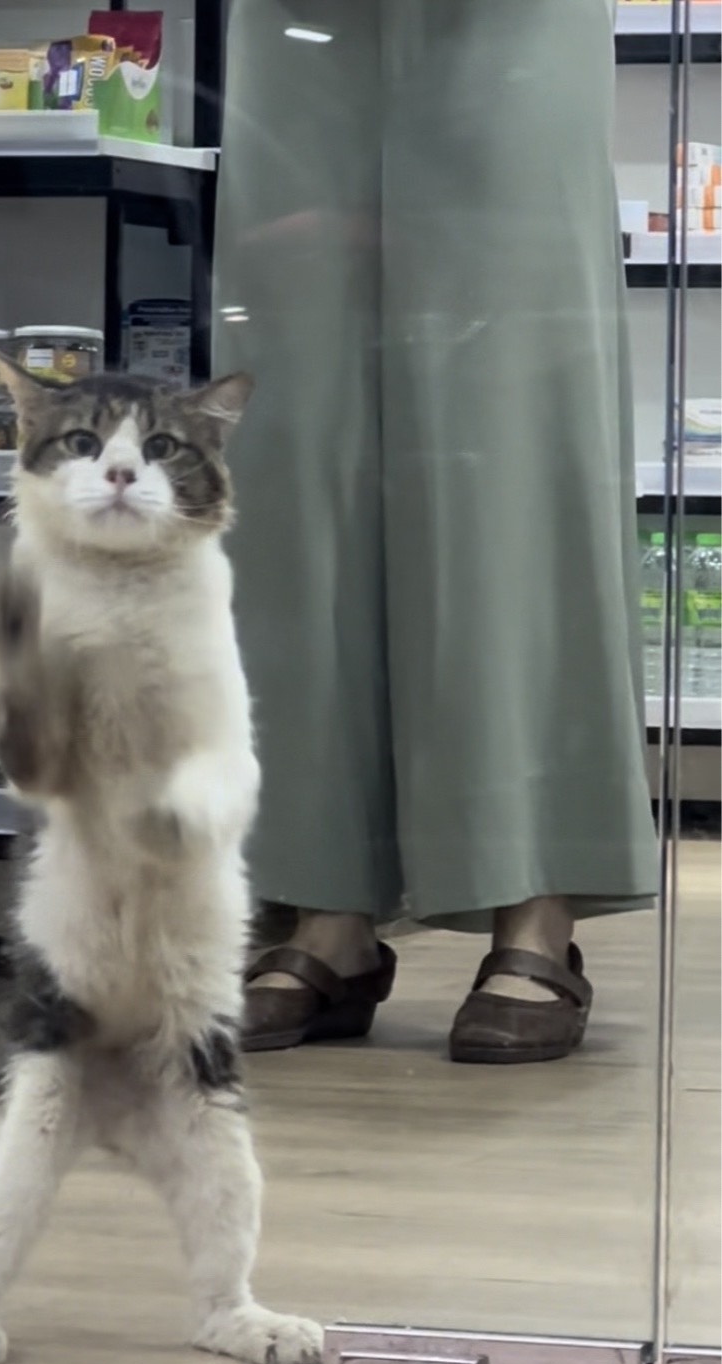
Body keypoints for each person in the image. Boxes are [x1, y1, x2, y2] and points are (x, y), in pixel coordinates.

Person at [213, 0, 658, 1065]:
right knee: (297, 439)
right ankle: (321, 902)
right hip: (302, 20)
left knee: (507, 426)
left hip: (506, 21)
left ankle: (532, 895)